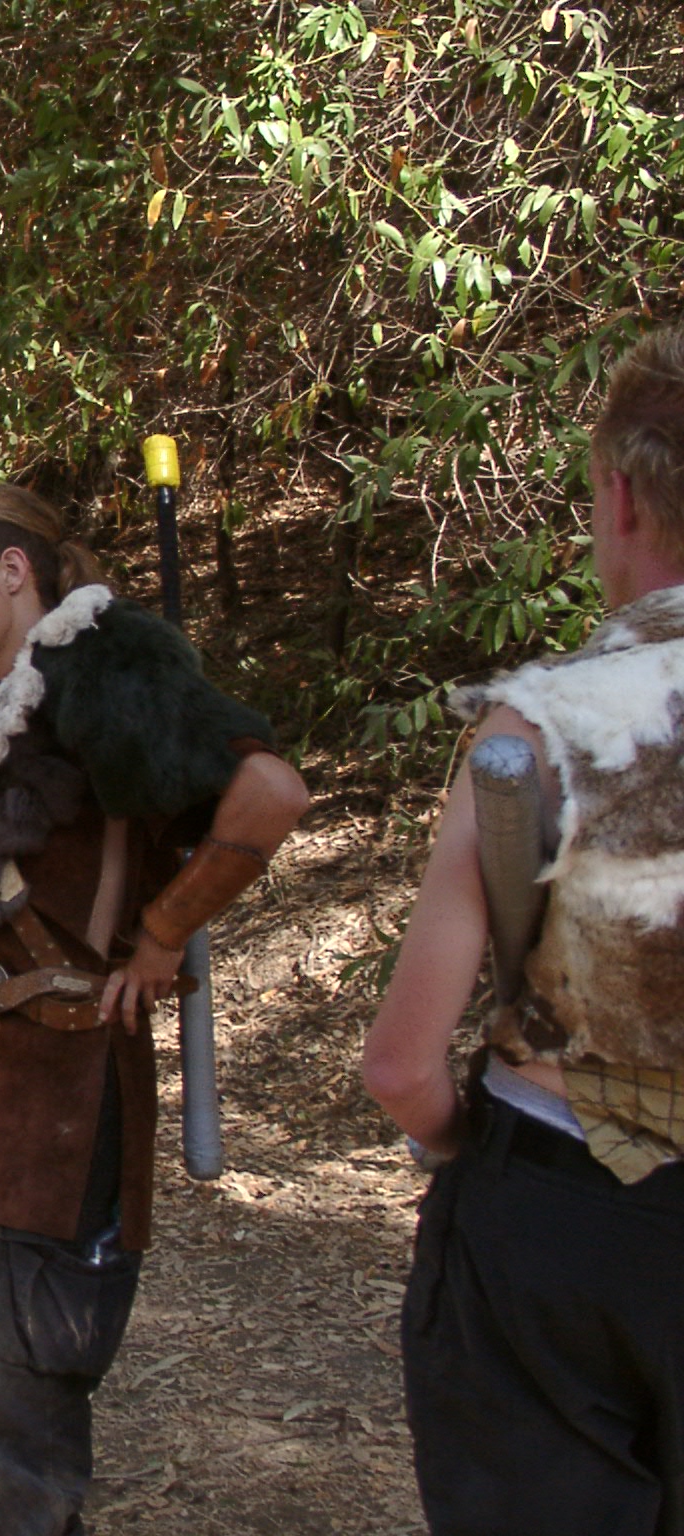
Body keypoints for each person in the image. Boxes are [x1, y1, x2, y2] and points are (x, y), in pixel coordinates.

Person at [0, 484, 308, 1535]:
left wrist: (165, 931)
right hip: (2, 1072)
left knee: (25, 1389)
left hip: (76, 1085)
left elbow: (271, 792)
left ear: (13, 573)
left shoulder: (103, 668)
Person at [363, 325, 684, 1536]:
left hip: (555, 1213)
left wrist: (462, 1154)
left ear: (619, 494)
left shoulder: (536, 730)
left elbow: (400, 1067)